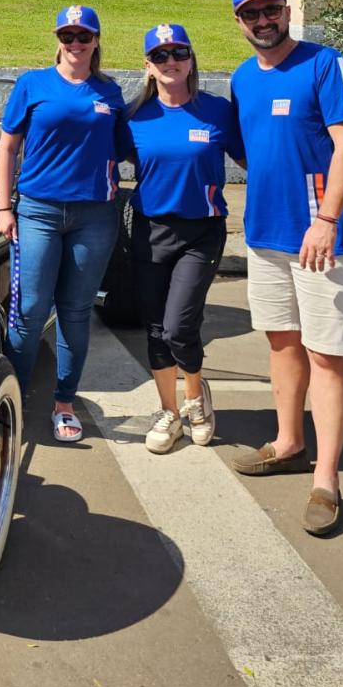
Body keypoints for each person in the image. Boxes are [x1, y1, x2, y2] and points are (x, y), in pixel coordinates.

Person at [229, 0, 343, 536]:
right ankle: (288, 442)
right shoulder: (242, 78)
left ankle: (327, 479)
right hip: (265, 235)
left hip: (321, 238)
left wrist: (327, 219)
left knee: (328, 355)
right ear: (239, 23)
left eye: (270, 9)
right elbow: (248, 150)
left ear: (286, 11)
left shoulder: (325, 63)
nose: (263, 20)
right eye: (251, 13)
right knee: (282, 341)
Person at [0, 6, 125, 441]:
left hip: (95, 215)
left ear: (95, 40)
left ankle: (64, 402)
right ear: (58, 39)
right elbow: (8, 148)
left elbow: (131, 147)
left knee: (75, 312)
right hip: (38, 211)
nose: (75, 43)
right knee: (30, 310)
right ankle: (7, 399)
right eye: (67, 35)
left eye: (83, 35)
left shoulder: (111, 92)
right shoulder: (32, 84)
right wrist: (4, 207)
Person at [124, 24, 244, 453]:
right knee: (155, 328)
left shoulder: (216, 111)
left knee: (179, 326)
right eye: (160, 56)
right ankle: (168, 411)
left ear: (191, 59)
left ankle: (196, 397)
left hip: (201, 232)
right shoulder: (133, 115)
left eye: (178, 53)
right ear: (148, 67)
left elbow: (255, 158)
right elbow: (89, 155)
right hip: (151, 230)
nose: (170, 61)